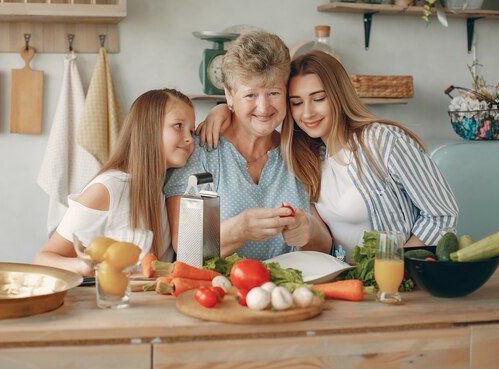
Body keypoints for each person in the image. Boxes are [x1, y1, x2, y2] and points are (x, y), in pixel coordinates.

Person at [200, 51, 458, 262]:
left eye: (318, 98)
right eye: (297, 103)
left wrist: (399, 264)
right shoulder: (307, 157)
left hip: (397, 282)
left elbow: (442, 215)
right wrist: (224, 110)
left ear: (338, 95)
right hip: (346, 284)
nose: (308, 113)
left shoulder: (382, 140)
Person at [164, 32, 333, 261]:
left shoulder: (299, 152)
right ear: (229, 95)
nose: (263, 108)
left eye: (274, 93)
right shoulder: (199, 152)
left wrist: (308, 231)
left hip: (286, 292)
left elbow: (324, 247)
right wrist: (239, 229)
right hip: (218, 292)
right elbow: (187, 248)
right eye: (250, 95)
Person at [35, 89, 196, 275]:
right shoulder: (108, 189)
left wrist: (223, 110)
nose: (189, 138)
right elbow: (43, 259)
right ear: (148, 128)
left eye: (191, 130)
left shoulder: (165, 189)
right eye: (178, 126)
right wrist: (85, 266)